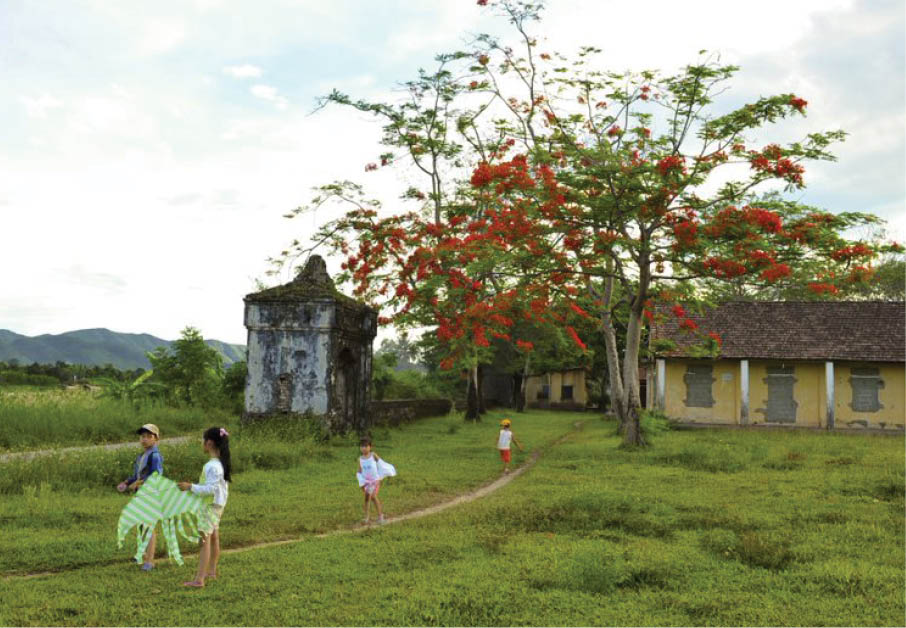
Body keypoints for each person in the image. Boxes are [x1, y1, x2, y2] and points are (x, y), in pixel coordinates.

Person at [178, 426, 231, 588]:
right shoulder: (220, 464)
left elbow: (210, 489)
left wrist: (190, 487)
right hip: (217, 506)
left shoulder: (212, 466)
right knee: (213, 537)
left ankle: (199, 579)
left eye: (203, 441)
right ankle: (212, 571)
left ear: (209, 443)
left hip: (210, 506)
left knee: (204, 540)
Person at [117, 423, 164, 570]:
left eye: (148, 436)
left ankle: (150, 560)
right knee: (142, 525)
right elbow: (137, 475)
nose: (144, 439)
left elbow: (156, 475)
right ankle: (142, 553)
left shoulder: (155, 456)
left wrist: (139, 483)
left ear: (156, 438)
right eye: (142, 436)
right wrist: (127, 482)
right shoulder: (141, 456)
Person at [356, 436, 396, 525]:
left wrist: (385, 473)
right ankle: (366, 518)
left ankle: (381, 517)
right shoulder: (360, 459)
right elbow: (359, 471)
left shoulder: (373, 455)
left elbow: (381, 464)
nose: (363, 448)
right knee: (366, 499)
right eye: (362, 446)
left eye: (366, 446)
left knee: (373, 497)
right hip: (367, 482)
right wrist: (361, 481)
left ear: (370, 447)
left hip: (375, 481)